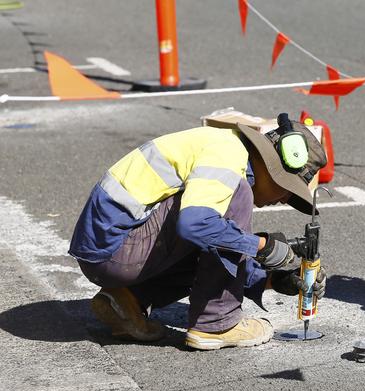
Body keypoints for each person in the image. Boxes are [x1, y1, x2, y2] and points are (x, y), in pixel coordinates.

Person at [69, 113, 328, 350]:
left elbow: (207, 244)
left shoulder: (226, 147)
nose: (284, 199)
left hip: (111, 249)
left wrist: (272, 279)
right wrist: (262, 246)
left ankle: (127, 300)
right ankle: (218, 324)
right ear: (273, 167)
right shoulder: (228, 156)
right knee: (231, 204)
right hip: (118, 249)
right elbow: (194, 225)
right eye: (287, 190)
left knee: (218, 229)